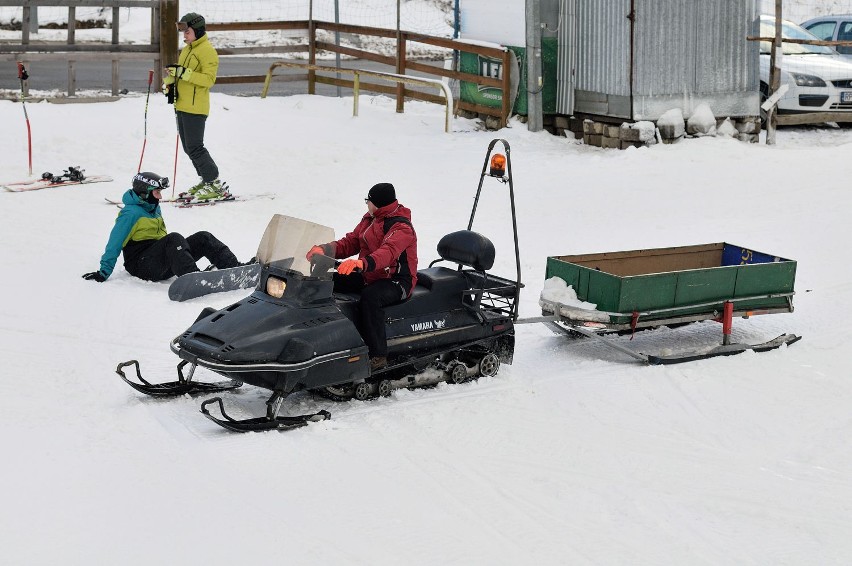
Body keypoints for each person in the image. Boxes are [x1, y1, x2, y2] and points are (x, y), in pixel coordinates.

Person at [306, 183, 418, 371]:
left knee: (370, 298)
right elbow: (351, 242)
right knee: (327, 282)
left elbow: (388, 252)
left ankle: (378, 355)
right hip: (370, 274)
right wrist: (325, 248)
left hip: (397, 280)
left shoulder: (401, 227)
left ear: (378, 204)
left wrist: (361, 263)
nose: (367, 204)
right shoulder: (370, 219)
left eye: (369, 201)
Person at [82, 172, 245, 283]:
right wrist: (103, 272)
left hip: (157, 260)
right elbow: (114, 243)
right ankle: (194, 280)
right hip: (141, 265)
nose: (160, 196)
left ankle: (235, 267)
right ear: (145, 192)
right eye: (157, 192)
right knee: (174, 238)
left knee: (203, 237)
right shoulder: (130, 214)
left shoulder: (153, 207)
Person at [162, 12, 228, 203]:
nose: (184, 36)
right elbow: (182, 76)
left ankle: (214, 182)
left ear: (197, 30)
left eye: (187, 31)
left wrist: (183, 72)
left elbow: (208, 80)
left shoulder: (207, 51)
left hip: (196, 107)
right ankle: (205, 180)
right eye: (182, 32)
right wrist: (169, 83)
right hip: (182, 105)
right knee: (188, 148)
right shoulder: (187, 49)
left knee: (195, 147)